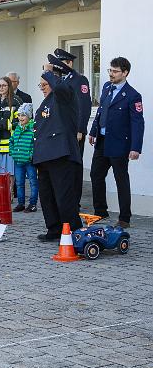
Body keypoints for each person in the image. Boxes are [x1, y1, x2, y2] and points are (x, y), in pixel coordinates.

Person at [89, 57, 144, 229]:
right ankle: (100, 211)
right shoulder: (106, 87)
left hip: (119, 144)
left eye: (115, 71)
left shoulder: (133, 95)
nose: (111, 74)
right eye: (110, 70)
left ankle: (124, 218)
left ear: (125, 73)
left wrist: (135, 148)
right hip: (102, 141)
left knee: (121, 180)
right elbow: (100, 111)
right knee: (95, 175)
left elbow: (137, 123)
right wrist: (93, 131)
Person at [32, 56, 83, 241]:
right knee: (47, 197)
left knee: (64, 197)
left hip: (61, 155)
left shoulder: (65, 94)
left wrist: (49, 71)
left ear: (55, 80)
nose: (43, 88)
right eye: (41, 85)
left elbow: (60, 87)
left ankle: (73, 232)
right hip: (44, 156)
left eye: (45, 83)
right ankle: (53, 229)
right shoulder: (45, 103)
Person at [54, 48, 93, 208]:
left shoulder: (79, 80)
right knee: (63, 165)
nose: (58, 66)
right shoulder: (60, 80)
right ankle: (65, 198)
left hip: (74, 131)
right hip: (62, 130)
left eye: (61, 62)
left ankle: (74, 201)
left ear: (69, 63)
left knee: (74, 165)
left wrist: (80, 129)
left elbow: (84, 106)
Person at [9, 103, 38, 213]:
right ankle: (21, 203)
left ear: (29, 117)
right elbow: (11, 141)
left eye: (23, 115)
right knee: (19, 183)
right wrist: (12, 152)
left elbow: (35, 144)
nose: (21, 118)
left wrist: (31, 155)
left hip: (29, 161)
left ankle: (32, 204)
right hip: (18, 160)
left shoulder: (32, 129)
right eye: (19, 115)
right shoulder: (17, 128)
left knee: (33, 182)